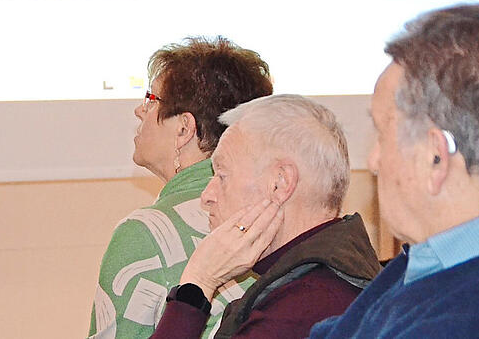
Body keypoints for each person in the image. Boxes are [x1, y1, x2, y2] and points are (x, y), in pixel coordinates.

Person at [310, 4, 479, 337]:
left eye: (382, 133)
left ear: (435, 157)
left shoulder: (463, 320)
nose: (375, 160)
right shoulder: (432, 256)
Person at [151, 95, 381, 339]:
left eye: (222, 175)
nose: (206, 196)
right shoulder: (316, 283)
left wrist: (197, 283)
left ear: (280, 183)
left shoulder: (297, 311)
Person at [88, 37, 273, 339]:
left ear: (185, 129)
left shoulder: (144, 233)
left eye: (151, 99)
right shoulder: (276, 211)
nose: (139, 111)